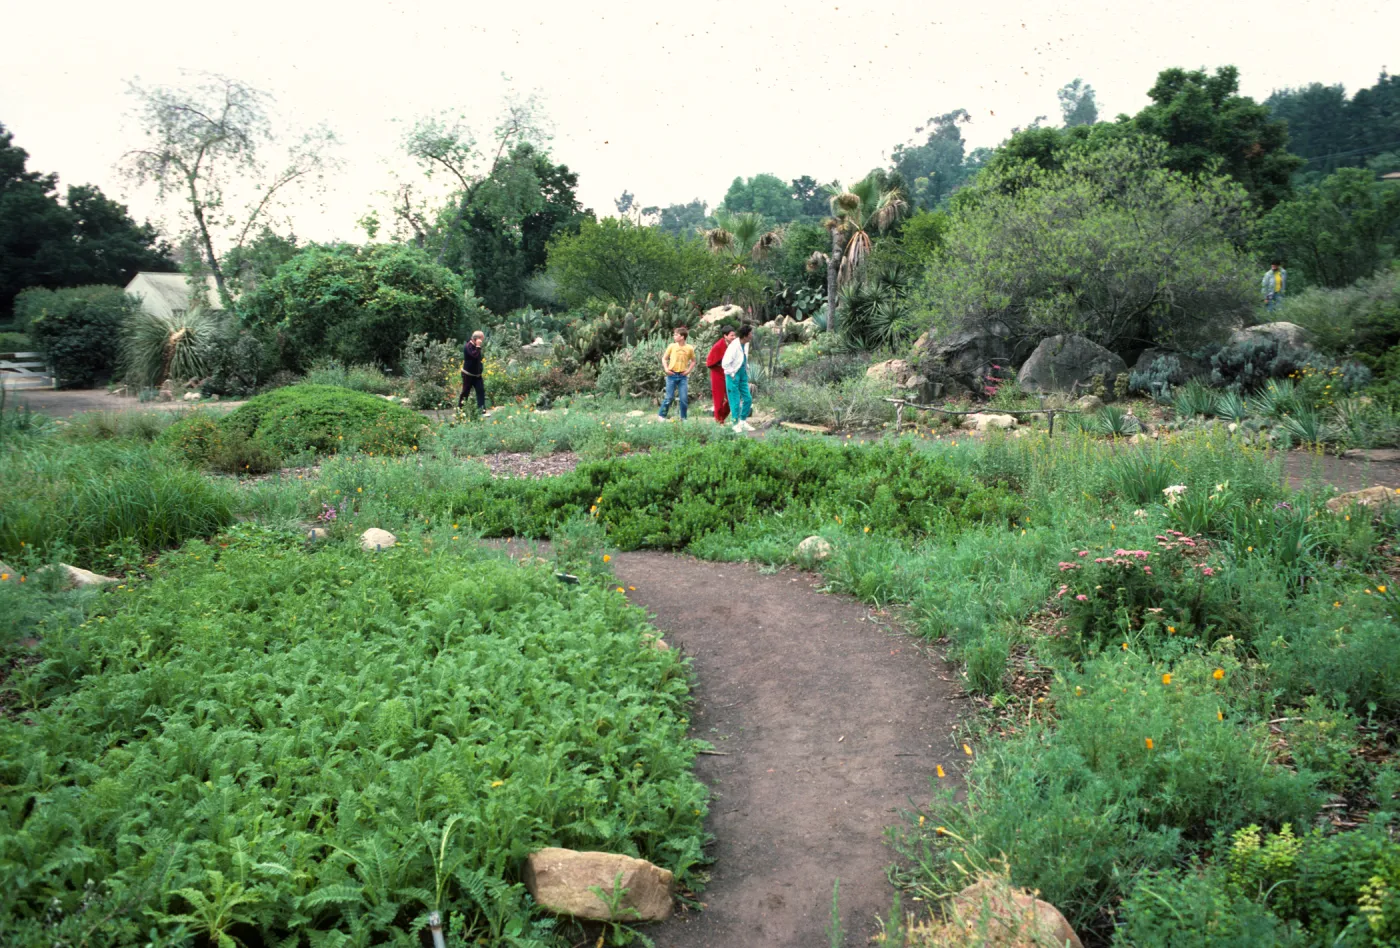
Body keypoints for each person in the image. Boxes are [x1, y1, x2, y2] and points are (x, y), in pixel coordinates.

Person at [658, 325, 696, 420]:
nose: (674, 336)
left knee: (683, 399)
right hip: (672, 375)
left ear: (682, 337)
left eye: (676, 335)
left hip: (683, 376)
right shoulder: (672, 346)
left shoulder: (689, 348)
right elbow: (664, 358)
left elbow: (693, 361)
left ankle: (683, 418)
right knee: (669, 397)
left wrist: (688, 371)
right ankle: (661, 416)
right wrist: (666, 369)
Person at [722, 323, 754, 432]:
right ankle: (734, 424)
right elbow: (725, 364)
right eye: (750, 333)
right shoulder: (733, 347)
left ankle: (743, 421)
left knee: (748, 398)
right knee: (735, 401)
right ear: (745, 335)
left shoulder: (746, 344)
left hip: (742, 374)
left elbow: (742, 358)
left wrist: (746, 367)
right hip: (733, 376)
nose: (752, 335)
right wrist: (733, 374)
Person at [706, 325, 734, 423]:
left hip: (728, 373)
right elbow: (709, 362)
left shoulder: (733, 345)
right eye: (731, 335)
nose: (733, 337)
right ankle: (719, 420)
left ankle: (721, 417)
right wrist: (721, 362)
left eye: (734, 335)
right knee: (718, 398)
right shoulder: (718, 346)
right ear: (725, 336)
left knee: (732, 397)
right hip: (717, 373)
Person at [459, 331, 487, 414]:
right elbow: (474, 356)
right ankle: (460, 410)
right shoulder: (468, 346)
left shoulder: (476, 346)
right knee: (465, 392)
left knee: (480, 391)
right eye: (481, 340)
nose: (482, 342)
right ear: (477, 339)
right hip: (468, 374)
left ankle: (481, 410)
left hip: (477, 375)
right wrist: (478, 346)